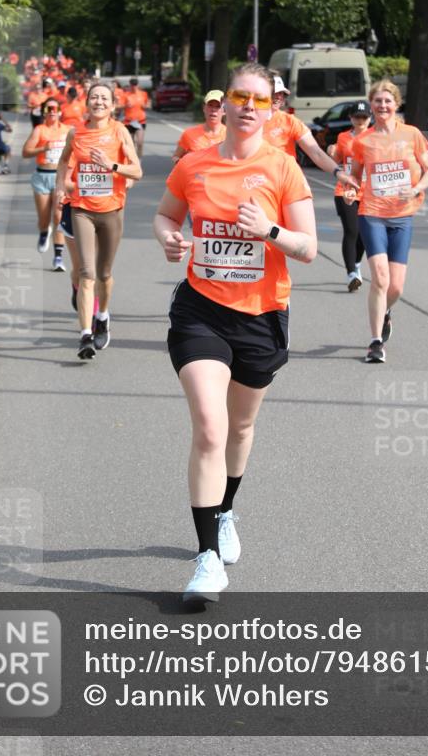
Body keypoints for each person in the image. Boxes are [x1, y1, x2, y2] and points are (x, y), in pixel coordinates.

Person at [154, 62, 317, 603]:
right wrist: (170, 241)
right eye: (240, 97)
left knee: (240, 430)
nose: (250, 106)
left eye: (261, 100)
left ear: (272, 109)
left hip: (262, 315)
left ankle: (225, 512)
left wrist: (268, 231)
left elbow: (309, 249)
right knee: (209, 424)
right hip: (201, 310)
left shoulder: (282, 168)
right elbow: (164, 217)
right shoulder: (195, 164)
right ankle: (205, 561)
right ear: (223, 105)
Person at [344, 80, 428, 363]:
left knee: (396, 287)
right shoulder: (363, 141)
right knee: (380, 278)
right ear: (371, 106)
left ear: (396, 104)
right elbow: (356, 176)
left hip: (402, 215)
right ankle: (374, 343)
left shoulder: (412, 135)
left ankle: (385, 312)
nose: (383, 106)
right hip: (372, 213)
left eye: (388, 101)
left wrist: (417, 187)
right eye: (378, 101)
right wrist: (351, 191)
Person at [55, 83, 142, 359]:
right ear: (87, 103)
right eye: (94, 97)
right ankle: (85, 336)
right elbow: (63, 161)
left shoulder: (119, 131)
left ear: (112, 105)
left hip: (112, 210)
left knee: (104, 274)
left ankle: (102, 315)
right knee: (86, 273)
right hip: (82, 209)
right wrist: (61, 185)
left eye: (104, 98)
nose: (99, 102)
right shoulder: (75, 132)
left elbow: (137, 171)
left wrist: (111, 166)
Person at [263, 74, 346, 179]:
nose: (278, 96)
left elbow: (315, 152)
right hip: (257, 181)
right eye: (274, 92)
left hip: (285, 181)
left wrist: (338, 172)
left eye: (281, 93)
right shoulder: (249, 121)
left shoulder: (291, 122)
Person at [327, 99, 372, 291]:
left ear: (370, 118)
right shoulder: (343, 137)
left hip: (369, 192)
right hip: (345, 189)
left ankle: (357, 264)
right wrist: (332, 152)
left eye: (364, 117)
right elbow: (337, 160)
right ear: (350, 118)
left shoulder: (376, 137)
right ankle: (351, 273)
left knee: (364, 234)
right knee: (352, 230)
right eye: (356, 116)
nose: (360, 120)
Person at [21, 99, 69, 268]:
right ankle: (43, 231)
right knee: (44, 219)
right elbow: (25, 152)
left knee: (58, 216)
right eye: (48, 108)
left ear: (60, 111)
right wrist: (43, 148)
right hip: (42, 176)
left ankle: (58, 257)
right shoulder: (39, 130)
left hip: (60, 178)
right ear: (44, 112)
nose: (52, 111)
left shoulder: (68, 130)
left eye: (55, 108)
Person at [171, 90, 226, 163]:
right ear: (204, 108)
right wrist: (182, 164)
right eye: (210, 105)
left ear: (225, 111)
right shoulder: (189, 134)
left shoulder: (231, 136)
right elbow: (176, 156)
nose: (213, 110)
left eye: (217, 106)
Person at [120, 77, 149, 157]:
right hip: (128, 122)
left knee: (140, 143)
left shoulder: (143, 94)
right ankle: (132, 159)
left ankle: (139, 160)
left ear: (138, 85)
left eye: (135, 85)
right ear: (130, 85)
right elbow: (119, 106)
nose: (134, 87)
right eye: (132, 85)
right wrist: (125, 105)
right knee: (131, 144)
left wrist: (145, 106)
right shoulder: (126, 95)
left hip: (140, 121)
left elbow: (148, 104)